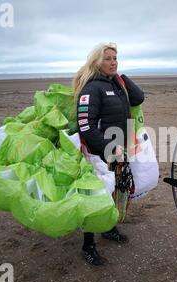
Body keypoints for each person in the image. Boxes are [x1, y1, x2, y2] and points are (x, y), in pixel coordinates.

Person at [72, 42, 145, 266]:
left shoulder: (115, 85)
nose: (113, 62)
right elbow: (86, 126)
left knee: (113, 194)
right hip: (99, 153)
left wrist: (122, 77)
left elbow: (139, 98)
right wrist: (108, 147)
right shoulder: (91, 88)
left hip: (119, 150)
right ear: (96, 62)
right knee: (95, 199)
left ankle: (109, 228)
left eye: (115, 58)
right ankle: (88, 245)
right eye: (108, 58)